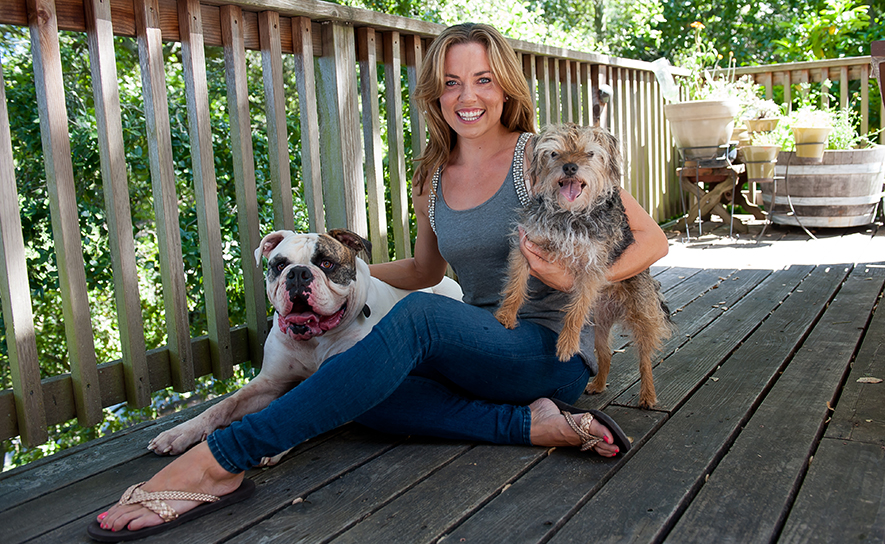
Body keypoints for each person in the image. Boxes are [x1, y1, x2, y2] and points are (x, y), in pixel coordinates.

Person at [93, 23, 668, 537]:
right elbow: (424, 271)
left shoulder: (542, 158)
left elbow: (652, 241)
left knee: (408, 323)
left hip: (546, 351)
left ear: (507, 88)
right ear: (434, 93)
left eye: (484, 80)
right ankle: (532, 425)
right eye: (450, 83)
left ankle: (220, 461)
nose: (467, 97)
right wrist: (325, 270)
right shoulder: (433, 178)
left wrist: (580, 276)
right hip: (479, 350)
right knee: (354, 382)